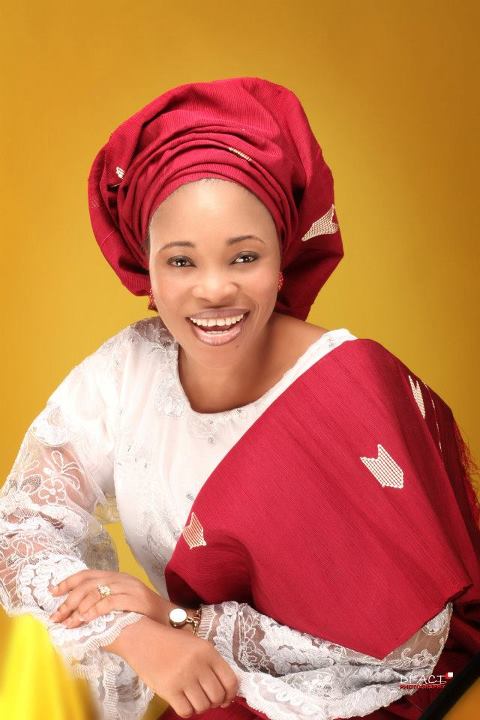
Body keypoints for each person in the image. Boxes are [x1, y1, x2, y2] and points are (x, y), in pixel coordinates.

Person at [0, 77, 479, 720]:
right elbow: (19, 527)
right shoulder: (127, 370)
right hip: (197, 685)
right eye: (181, 262)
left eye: (244, 257)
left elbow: (408, 650)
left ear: (283, 261)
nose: (214, 290)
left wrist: (177, 620)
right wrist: (128, 631)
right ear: (146, 269)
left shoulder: (348, 386)